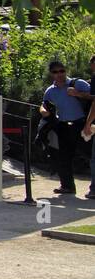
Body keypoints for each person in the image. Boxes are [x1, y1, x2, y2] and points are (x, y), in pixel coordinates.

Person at [43, 60, 89, 196]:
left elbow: (93, 97)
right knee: (63, 157)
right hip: (63, 125)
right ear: (51, 74)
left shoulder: (78, 83)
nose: (59, 74)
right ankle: (67, 186)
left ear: (66, 70)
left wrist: (78, 94)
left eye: (62, 71)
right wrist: (43, 111)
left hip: (81, 124)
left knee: (89, 155)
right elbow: (44, 104)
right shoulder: (50, 91)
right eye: (55, 72)